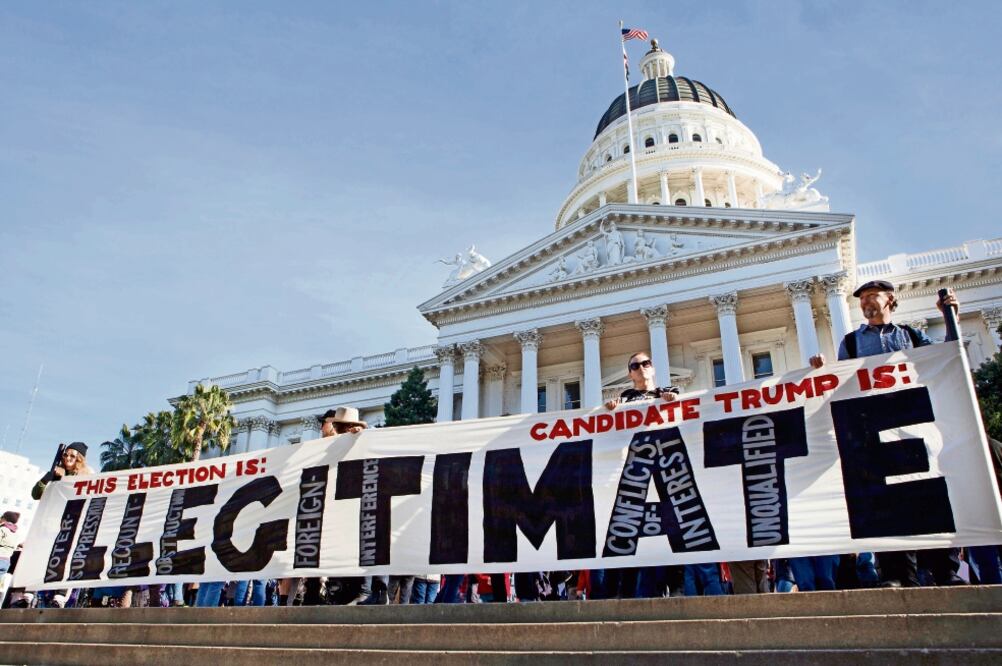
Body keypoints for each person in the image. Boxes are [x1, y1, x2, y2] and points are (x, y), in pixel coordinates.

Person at [809, 280, 964, 588]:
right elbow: (843, 384)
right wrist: (821, 373)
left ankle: (945, 571)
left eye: (871, 296)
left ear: (889, 299)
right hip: (875, 427)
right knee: (886, 502)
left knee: (930, 497)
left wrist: (951, 318)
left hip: (914, 420)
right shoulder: (851, 343)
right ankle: (896, 573)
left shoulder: (910, 335)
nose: (866, 302)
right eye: (862, 298)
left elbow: (944, 359)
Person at [597, 352, 680, 599]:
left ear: (652, 368)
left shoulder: (668, 392)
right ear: (630, 373)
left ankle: (676, 596)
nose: (641, 368)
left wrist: (673, 400)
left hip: (666, 473)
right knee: (629, 537)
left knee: (672, 534)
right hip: (634, 477)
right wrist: (610, 410)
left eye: (645, 363)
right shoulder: (625, 399)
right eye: (635, 366)